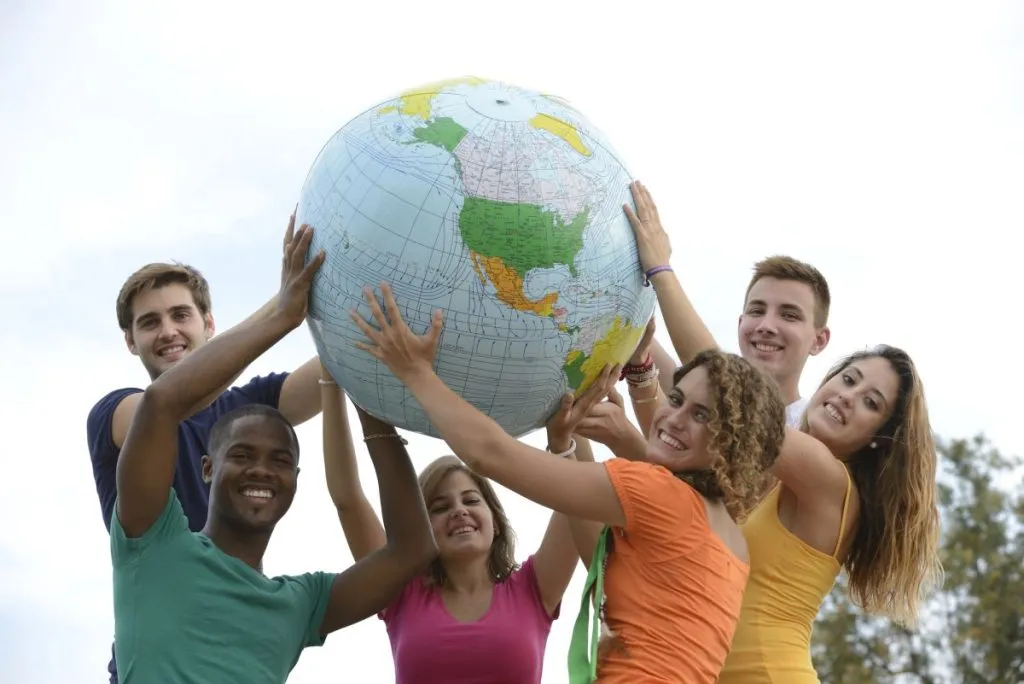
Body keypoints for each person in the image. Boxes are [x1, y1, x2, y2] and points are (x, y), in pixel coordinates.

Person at [349, 282, 788, 683]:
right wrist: (566, 443)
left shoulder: (657, 493)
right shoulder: (730, 537)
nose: (672, 417)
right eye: (676, 399)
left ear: (733, 442)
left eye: (702, 415)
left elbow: (491, 454)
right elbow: (596, 550)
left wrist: (416, 373)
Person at [624, 180, 944, 682]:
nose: (846, 396)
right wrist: (634, 350)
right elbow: (700, 402)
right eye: (849, 379)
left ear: (879, 438)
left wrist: (660, 270)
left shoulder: (827, 477)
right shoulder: (788, 472)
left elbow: (724, 390)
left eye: (870, 403)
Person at [109, 223, 437, 683]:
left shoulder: (297, 604)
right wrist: (283, 315)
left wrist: (374, 393)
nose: (261, 469)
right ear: (208, 466)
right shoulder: (153, 547)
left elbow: (413, 550)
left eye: (281, 460)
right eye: (241, 455)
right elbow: (163, 404)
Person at [87, 213, 326, 681]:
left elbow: (332, 373)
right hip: (158, 654)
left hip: (240, 642)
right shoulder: (116, 413)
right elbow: (165, 403)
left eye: (181, 315)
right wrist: (281, 313)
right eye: (149, 323)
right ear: (130, 342)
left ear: (210, 323)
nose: (168, 332)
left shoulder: (246, 411)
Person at [322, 359, 600, 683]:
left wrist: (568, 431)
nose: (459, 510)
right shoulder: (401, 592)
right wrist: (335, 381)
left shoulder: (533, 588)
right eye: (439, 507)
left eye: (470, 500)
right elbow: (348, 500)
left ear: (495, 522)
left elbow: (583, 495)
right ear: (422, 531)